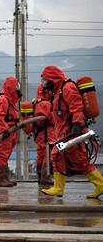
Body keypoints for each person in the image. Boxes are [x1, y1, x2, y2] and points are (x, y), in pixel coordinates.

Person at [40, 66, 103, 198]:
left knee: (56, 154)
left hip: (72, 132)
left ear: (52, 78)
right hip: (64, 132)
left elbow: (76, 107)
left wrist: (77, 125)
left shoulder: (67, 88)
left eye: (45, 80)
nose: (43, 83)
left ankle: (58, 188)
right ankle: (100, 184)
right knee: (80, 161)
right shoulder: (57, 91)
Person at [0, 77, 22, 187]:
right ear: (11, 87)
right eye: (16, 86)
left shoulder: (11, 100)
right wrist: (5, 130)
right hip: (5, 131)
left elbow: (11, 115)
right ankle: (1, 180)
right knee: (2, 155)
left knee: (6, 155)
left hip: (11, 131)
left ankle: (5, 178)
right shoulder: (3, 99)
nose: (17, 89)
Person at [33, 83, 55, 185]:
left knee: (41, 154)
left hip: (39, 133)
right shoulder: (45, 104)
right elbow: (53, 118)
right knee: (48, 154)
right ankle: (45, 177)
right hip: (47, 132)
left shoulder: (36, 102)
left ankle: (40, 177)